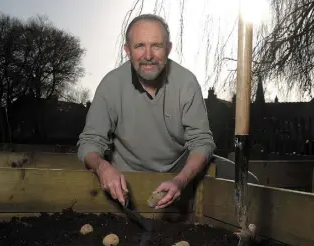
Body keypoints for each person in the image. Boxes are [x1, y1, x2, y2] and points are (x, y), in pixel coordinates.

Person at [77, 14, 216, 209]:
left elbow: (202, 141)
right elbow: (89, 141)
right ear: (127, 50)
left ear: (168, 49)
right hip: (123, 183)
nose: (148, 55)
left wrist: (181, 181)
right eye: (139, 46)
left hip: (177, 180)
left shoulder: (187, 83)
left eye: (157, 46)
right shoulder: (111, 84)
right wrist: (103, 168)